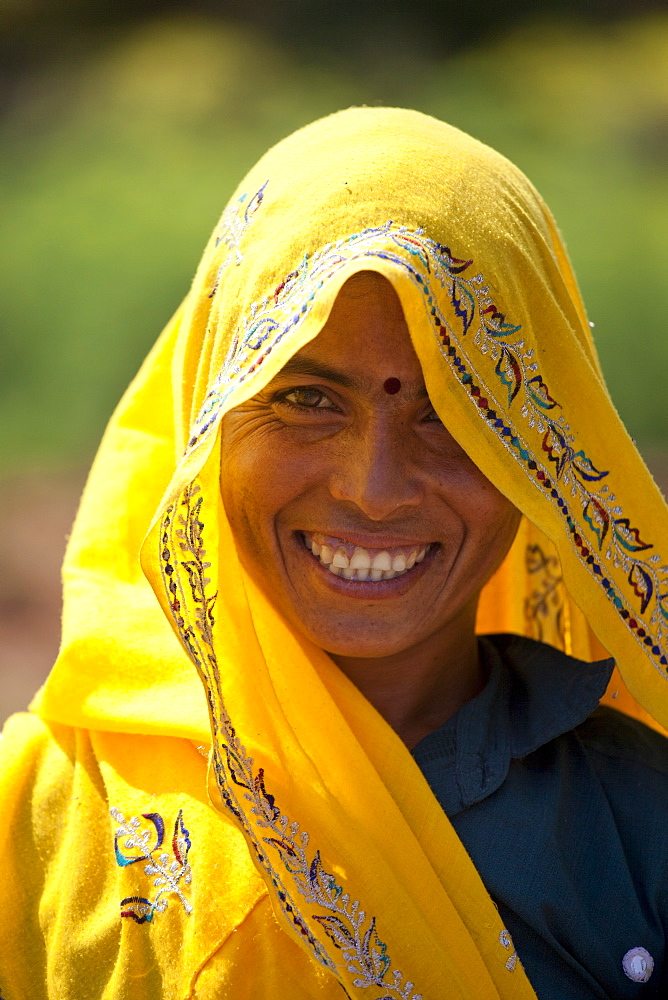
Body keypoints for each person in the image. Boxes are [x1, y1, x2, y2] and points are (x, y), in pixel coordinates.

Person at [1, 107, 667, 1000]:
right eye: (310, 399)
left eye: (454, 410)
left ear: (543, 448)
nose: (375, 488)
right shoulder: (38, 822)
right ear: (210, 417)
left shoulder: (638, 821)